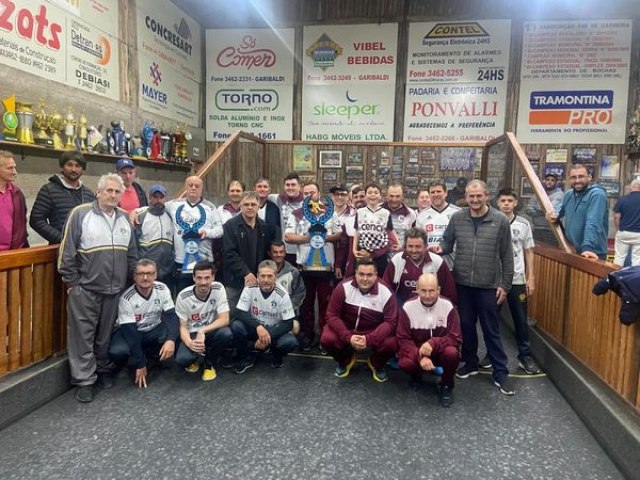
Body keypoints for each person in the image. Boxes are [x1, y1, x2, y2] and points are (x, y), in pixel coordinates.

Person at [58, 173, 137, 402]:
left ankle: (102, 370)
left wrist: (128, 283)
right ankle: (85, 380)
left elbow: (132, 254)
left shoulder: (124, 218)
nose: (113, 195)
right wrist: (73, 284)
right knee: (82, 337)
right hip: (85, 290)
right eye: (108, 190)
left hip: (114, 290)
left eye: (117, 192)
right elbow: (67, 252)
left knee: (105, 336)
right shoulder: (80, 214)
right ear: (98, 192)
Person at [432, 179, 515, 395]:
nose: (475, 200)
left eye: (479, 196)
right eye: (471, 196)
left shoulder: (500, 220)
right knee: (466, 326)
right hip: (462, 284)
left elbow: (507, 256)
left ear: (486, 196)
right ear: (466, 197)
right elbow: (447, 242)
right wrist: (439, 248)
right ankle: (470, 363)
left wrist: (505, 285)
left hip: (488, 285)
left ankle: (501, 372)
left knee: (491, 330)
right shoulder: (457, 218)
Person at [321, 258, 398, 383]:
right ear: (355, 274)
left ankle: (376, 363)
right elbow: (331, 315)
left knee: (392, 343)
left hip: (372, 331)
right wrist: (348, 337)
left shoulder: (386, 292)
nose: (365, 279)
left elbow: (391, 322)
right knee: (327, 338)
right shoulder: (343, 287)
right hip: (347, 329)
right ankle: (346, 360)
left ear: (376, 275)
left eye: (369, 275)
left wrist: (369, 338)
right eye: (361, 274)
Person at [285, 182, 341, 350]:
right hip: (304, 267)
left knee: (326, 305)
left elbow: (339, 234)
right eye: (306, 193)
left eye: (313, 192)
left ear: (319, 193)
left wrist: (323, 238)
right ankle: (307, 336)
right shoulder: (296, 213)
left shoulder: (330, 212)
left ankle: (324, 338)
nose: (310, 195)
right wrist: (310, 238)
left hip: (326, 268)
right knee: (305, 304)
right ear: (303, 195)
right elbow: (288, 237)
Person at [108, 259, 179, 388]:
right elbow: (131, 333)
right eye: (141, 274)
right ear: (134, 276)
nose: (145, 278)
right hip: (132, 332)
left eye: (149, 273)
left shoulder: (162, 288)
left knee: (175, 332)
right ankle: (133, 362)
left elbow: (171, 316)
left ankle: (152, 357)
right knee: (117, 351)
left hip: (154, 329)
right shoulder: (126, 298)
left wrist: (171, 340)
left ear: (155, 275)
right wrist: (140, 364)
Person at [493, 189, 541, 375]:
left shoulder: (523, 224)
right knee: (492, 319)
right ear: (497, 203)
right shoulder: (492, 221)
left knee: (520, 319)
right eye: (503, 200)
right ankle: (491, 353)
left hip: (517, 279)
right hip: (495, 279)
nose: (506, 203)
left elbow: (529, 251)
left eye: (510, 200)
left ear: (515, 203)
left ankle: (525, 356)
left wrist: (531, 277)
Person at [397, 273, 461, 407]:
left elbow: (455, 337)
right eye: (423, 290)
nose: (427, 295)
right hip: (417, 351)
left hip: (440, 351)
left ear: (438, 290)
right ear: (417, 290)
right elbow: (403, 339)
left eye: (431, 291)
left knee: (452, 354)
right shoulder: (408, 307)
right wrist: (420, 356)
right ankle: (416, 375)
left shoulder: (448, 306)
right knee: (405, 363)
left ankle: (446, 385)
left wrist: (434, 343)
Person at [231, 260, 299, 372]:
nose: (266, 280)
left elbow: (288, 323)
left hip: (273, 331)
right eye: (262, 276)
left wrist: (266, 337)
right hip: (256, 328)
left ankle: (276, 354)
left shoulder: (282, 294)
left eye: (269, 276)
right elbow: (240, 312)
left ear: (276, 277)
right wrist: (259, 327)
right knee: (236, 325)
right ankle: (245, 357)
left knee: (290, 342)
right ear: (257, 276)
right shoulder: (249, 288)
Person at [174, 260, 233, 381]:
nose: (203, 282)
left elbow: (225, 319)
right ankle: (194, 357)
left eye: (207, 278)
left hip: (210, 330)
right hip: (192, 333)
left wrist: (202, 331)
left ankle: (209, 362)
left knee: (226, 333)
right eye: (199, 278)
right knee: (182, 359)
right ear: (193, 277)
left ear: (213, 277)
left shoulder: (219, 288)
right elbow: (183, 327)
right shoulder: (183, 296)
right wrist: (190, 343)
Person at [165, 176, 223, 292]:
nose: (193, 188)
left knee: (205, 293)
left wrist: (206, 233)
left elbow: (219, 230)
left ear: (202, 189)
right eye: (190, 185)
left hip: (204, 259)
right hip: (181, 260)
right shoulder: (173, 205)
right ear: (185, 187)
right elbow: (154, 206)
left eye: (197, 186)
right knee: (183, 294)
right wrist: (135, 212)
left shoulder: (210, 207)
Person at [223, 191, 277, 314]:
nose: (250, 207)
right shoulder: (230, 226)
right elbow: (229, 253)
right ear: (240, 206)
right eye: (246, 204)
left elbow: (266, 254)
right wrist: (246, 273)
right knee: (233, 315)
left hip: (257, 281)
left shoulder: (264, 226)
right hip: (235, 281)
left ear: (258, 206)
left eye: (253, 204)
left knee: (255, 315)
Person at [29, 151, 94, 244]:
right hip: (60, 248)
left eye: (78, 166)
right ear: (62, 167)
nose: (74, 169)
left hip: (86, 248)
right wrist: (62, 239)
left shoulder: (89, 194)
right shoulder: (49, 190)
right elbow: (36, 220)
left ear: (83, 170)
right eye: (69, 165)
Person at [547, 164, 609, 260]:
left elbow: (593, 222)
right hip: (572, 250)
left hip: (592, 252)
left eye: (581, 176)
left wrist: (588, 246)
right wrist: (552, 215)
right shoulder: (569, 194)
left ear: (589, 177)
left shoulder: (597, 194)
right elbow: (558, 211)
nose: (577, 180)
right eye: (573, 177)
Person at [383, 228, 457, 306]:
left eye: (418, 246)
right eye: (410, 246)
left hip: (431, 305)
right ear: (405, 246)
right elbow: (386, 290)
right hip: (403, 305)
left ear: (426, 246)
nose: (414, 250)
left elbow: (449, 293)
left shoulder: (437, 262)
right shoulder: (396, 261)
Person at [352, 183, 398, 276]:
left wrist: (398, 242)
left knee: (380, 276)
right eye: (370, 192)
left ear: (380, 196)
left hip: (380, 252)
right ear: (365, 195)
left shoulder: (385, 213)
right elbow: (357, 231)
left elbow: (390, 230)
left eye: (376, 192)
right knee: (365, 275)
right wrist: (354, 249)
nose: (373, 195)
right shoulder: (360, 212)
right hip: (364, 250)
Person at [135, 184, 175, 293]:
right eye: (155, 197)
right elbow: (134, 244)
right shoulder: (141, 216)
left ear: (165, 198)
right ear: (150, 198)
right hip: (146, 272)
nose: (158, 200)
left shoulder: (170, 215)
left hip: (167, 271)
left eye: (161, 197)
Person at [415, 180, 461, 269]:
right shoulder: (422, 215)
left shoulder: (457, 213)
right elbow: (418, 241)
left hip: (453, 265)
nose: (436, 194)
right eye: (432, 192)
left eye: (439, 191)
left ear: (446, 193)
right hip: (429, 266)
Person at [268, 241, 306, 327]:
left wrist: (287, 309)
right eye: (275, 252)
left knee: (293, 332)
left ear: (285, 253)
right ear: (269, 253)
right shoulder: (263, 271)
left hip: (287, 313)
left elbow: (299, 294)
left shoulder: (293, 272)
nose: (278, 255)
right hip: (266, 313)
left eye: (281, 252)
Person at [269, 172, 304, 264]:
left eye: (293, 185)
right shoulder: (278, 198)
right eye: (287, 185)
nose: (290, 187)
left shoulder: (307, 202)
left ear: (300, 186)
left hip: (304, 249)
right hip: (285, 250)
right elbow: (260, 194)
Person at [0, 150, 28, 250]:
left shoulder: (17, 194)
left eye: (14, 167)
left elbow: (21, 226)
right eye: (10, 168)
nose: (15, 172)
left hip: (13, 253)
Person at [525, 172, 564, 245]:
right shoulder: (538, 193)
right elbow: (528, 209)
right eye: (548, 179)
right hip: (536, 229)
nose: (549, 182)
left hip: (551, 230)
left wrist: (538, 209)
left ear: (556, 182)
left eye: (552, 180)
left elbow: (551, 210)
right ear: (544, 181)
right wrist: (544, 212)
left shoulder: (559, 194)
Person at [613, 179, 640, 266]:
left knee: (619, 257)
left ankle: (616, 274)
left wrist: (618, 229)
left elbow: (616, 217)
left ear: (631, 187)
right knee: (637, 259)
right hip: (639, 234)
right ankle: (635, 275)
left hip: (624, 232)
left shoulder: (622, 199)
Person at [383, 184, 417, 250]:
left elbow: (414, 237)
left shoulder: (410, 214)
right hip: (380, 253)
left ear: (402, 197)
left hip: (401, 252)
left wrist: (403, 248)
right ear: (386, 196)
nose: (394, 199)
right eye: (391, 196)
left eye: (397, 196)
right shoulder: (378, 210)